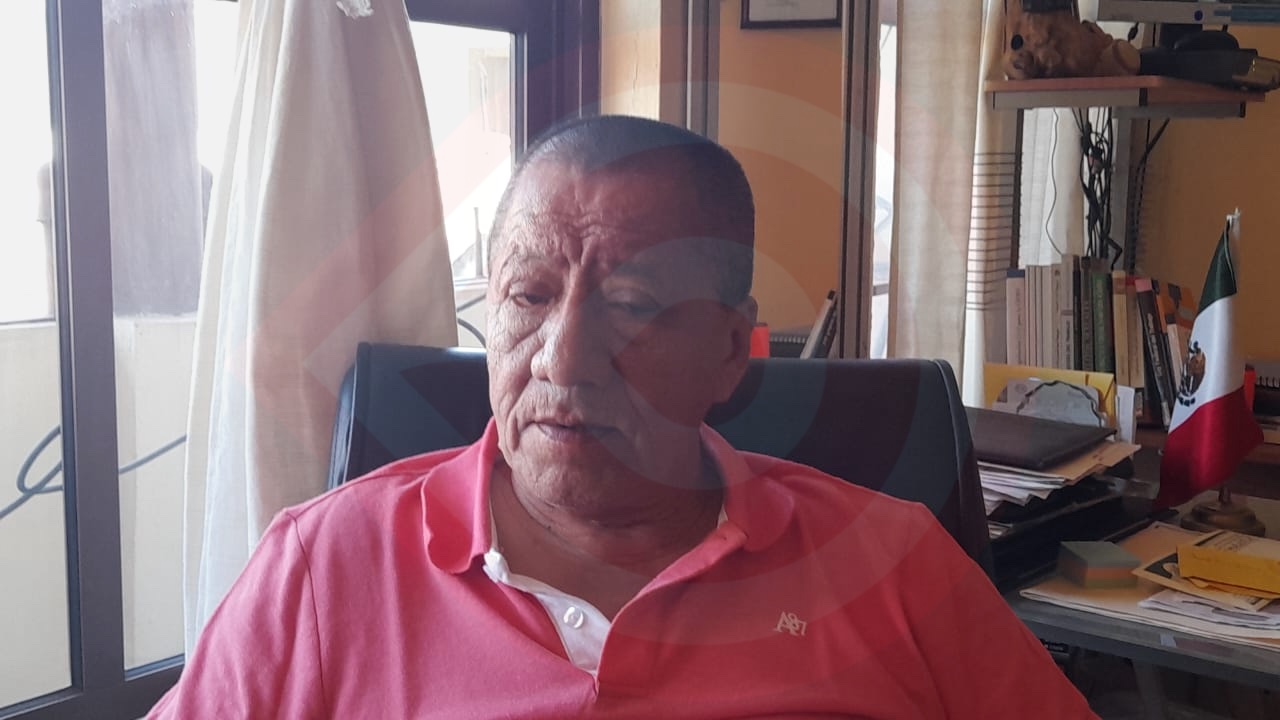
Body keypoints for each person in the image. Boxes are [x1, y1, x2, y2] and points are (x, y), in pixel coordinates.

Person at [149, 115, 1097, 718]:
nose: (562, 359)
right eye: (528, 295)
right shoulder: (321, 569)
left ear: (729, 350)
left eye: (635, 306)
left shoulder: (894, 566)